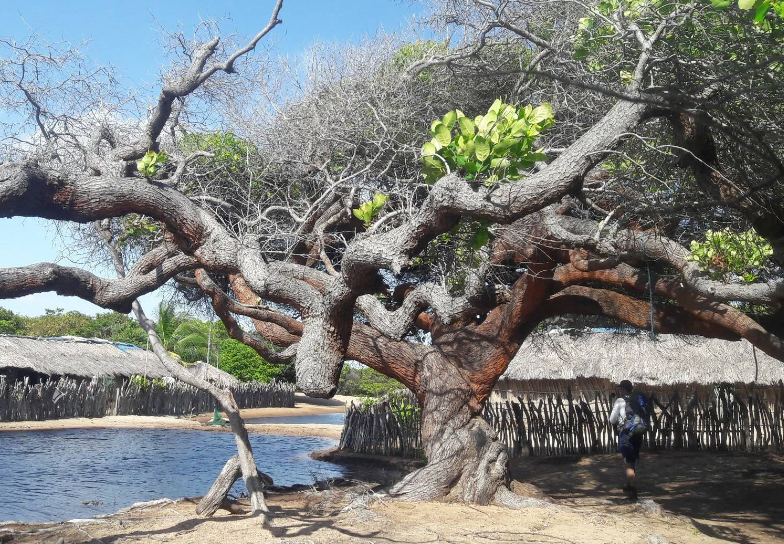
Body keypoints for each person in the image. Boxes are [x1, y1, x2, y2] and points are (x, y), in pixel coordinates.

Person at [609, 380, 648, 501]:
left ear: (623, 389)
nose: (619, 390)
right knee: (633, 459)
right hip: (638, 431)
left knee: (629, 461)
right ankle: (628, 483)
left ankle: (632, 488)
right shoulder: (638, 398)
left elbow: (612, 420)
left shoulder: (620, 401)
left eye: (620, 388)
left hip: (626, 433)